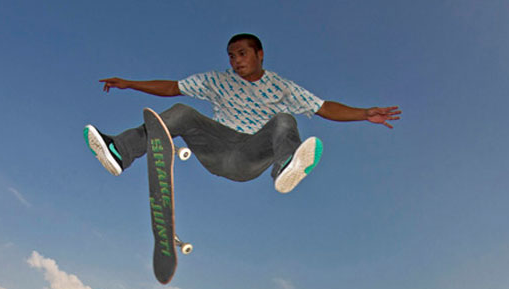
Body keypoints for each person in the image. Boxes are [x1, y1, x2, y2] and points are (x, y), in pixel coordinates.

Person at [84, 33, 400, 193]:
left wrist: (364, 113)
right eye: (232, 56)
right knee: (181, 111)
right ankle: (120, 152)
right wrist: (129, 83)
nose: (236, 61)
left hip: (251, 154)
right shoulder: (216, 80)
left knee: (284, 120)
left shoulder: (282, 86)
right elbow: (172, 87)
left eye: (243, 54)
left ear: (259, 54)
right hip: (215, 146)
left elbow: (323, 108)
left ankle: (285, 168)